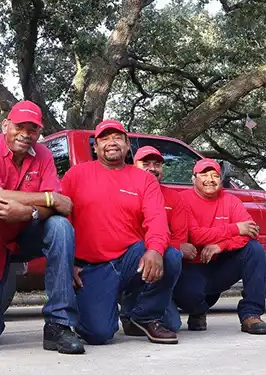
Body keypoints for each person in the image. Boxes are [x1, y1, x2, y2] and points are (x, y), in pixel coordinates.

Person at [0, 101, 83, 354]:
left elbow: (60, 209)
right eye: (19, 126)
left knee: (60, 226)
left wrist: (30, 212)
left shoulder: (44, 154)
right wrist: (48, 198)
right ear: (5, 125)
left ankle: (59, 324)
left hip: (27, 233)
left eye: (32, 129)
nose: (25, 134)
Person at [61, 119, 182, 345]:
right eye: (104, 139)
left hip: (131, 258)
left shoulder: (144, 179)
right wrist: (69, 263)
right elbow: (63, 222)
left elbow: (157, 220)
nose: (112, 142)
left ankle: (145, 315)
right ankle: (111, 305)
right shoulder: (75, 175)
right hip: (92, 266)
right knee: (97, 334)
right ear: (95, 147)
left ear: (127, 146)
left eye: (117, 138)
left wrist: (155, 250)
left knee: (171, 256)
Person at [174, 159, 266, 335]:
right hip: (193, 266)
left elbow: (251, 231)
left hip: (221, 264)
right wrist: (235, 229)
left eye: (215, 175)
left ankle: (251, 314)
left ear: (221, 179)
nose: (210, 179)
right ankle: (198, 310)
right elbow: (195, 235)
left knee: (254, 249)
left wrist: (222, 245)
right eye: (204, 175)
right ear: (193, 178)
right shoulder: (182, 199)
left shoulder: (231, 200)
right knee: (189, 295)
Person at [120, 145, 196, 333]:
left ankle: (140, 314)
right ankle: (125, 303)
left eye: (157, 164)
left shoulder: (174, 197)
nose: (152, 168)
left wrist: (157, 248)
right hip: (129, 261)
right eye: (146, 164)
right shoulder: (124, 192)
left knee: (172, 325)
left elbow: (180, 241)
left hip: (158, 264)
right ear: (133, 166)